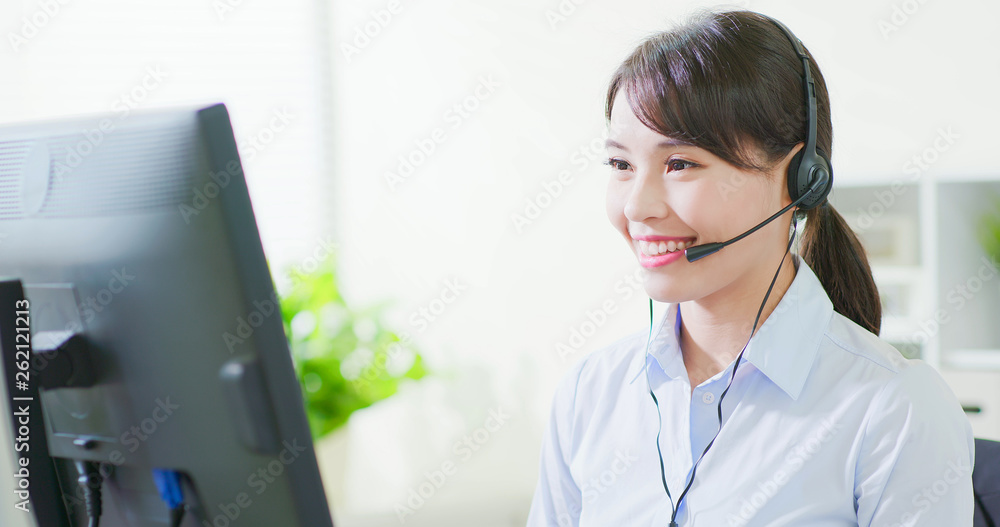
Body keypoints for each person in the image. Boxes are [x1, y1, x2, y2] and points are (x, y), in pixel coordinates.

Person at [526, 9, 975, 527]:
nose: (636, 207)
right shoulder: (590, 394)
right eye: (622, 165)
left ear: (802, 178)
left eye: (681, 164)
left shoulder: (894, 408)